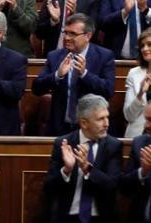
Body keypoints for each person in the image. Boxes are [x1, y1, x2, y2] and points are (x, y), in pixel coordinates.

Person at [42, 94, 123, 223]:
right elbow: (49, 188)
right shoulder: (63, 144)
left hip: (100, 217)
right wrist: (66, 170)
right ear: (84, 123)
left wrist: (87, 168)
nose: (106, 124)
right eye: (101, 119)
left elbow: (113, 186)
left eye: (107, 117)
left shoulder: (113, 146)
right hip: (68, 217)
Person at [32, 14, 115, 136]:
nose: (66, 37)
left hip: (91, 129)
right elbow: (36, 88)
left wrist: (85, 74)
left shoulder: (104, 56)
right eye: (65, 33)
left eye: (72, 34)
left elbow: (108, 90)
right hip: (60, 129)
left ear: (88, 36)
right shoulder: (55, 56)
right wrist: (57, 75)